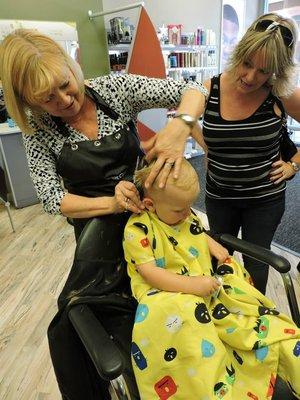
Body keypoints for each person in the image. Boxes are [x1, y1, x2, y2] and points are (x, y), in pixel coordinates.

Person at [0, 28, 208, 400]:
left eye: (66, 85)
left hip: (152, 221)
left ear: (72, 65)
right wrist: (111, 203)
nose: (65, 100)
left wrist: (182, 125)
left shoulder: (115, 89)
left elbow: (195, 88)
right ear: (28, 102)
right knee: (69, 331)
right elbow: (51, 197)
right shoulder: (38, 129)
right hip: (97, 240)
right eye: (47, 99)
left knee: (174, 312)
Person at [123, 158, 300, 399]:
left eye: (190, 207)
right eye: (180, 209)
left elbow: (191, 227)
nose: (188, 214)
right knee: (190, 323)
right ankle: (219, 386)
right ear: (149, 204)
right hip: (165, 295)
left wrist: (211, 242)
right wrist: (193, 286)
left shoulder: (182, 214)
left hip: (203, 283)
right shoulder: (138, 230)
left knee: (253, 313)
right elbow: (150, 274)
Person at [201, 13, 300, 294]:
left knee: (256, 262)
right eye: (247, 64)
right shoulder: (212, 88)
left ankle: (255, 322)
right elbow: (186, 119)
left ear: (276, 71)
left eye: (264, 71)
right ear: (239, 53)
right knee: (218, 257)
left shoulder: (281, 94)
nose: (250, 77)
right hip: (220, 196)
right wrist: (208, 147)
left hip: (264, 201)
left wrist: (294, 164)